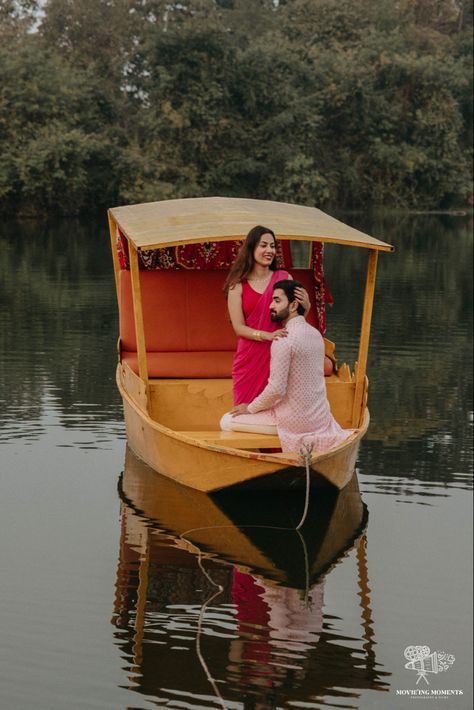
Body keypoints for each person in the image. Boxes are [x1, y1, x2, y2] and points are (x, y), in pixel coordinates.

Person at [221, 280, 353, 454]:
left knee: (226, 420)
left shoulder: (283, 340)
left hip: (293, 422)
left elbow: (276, 389)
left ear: (292, 306)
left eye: (276, 301)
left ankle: (252, 458)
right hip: (320, 419)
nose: (270, 306)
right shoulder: (315, 335)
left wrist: (250, 407)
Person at [224, 226, 310, 405]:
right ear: (251, 248)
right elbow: (238, 328)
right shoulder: (237, 285)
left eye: (272, 246)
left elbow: (296, 319)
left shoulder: (284, 278)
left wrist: (306, 306)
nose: (269, 250)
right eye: (263, 245)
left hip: (280, 351)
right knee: (243, 411)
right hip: (249, 357)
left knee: (277, 407)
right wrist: (266, 336)